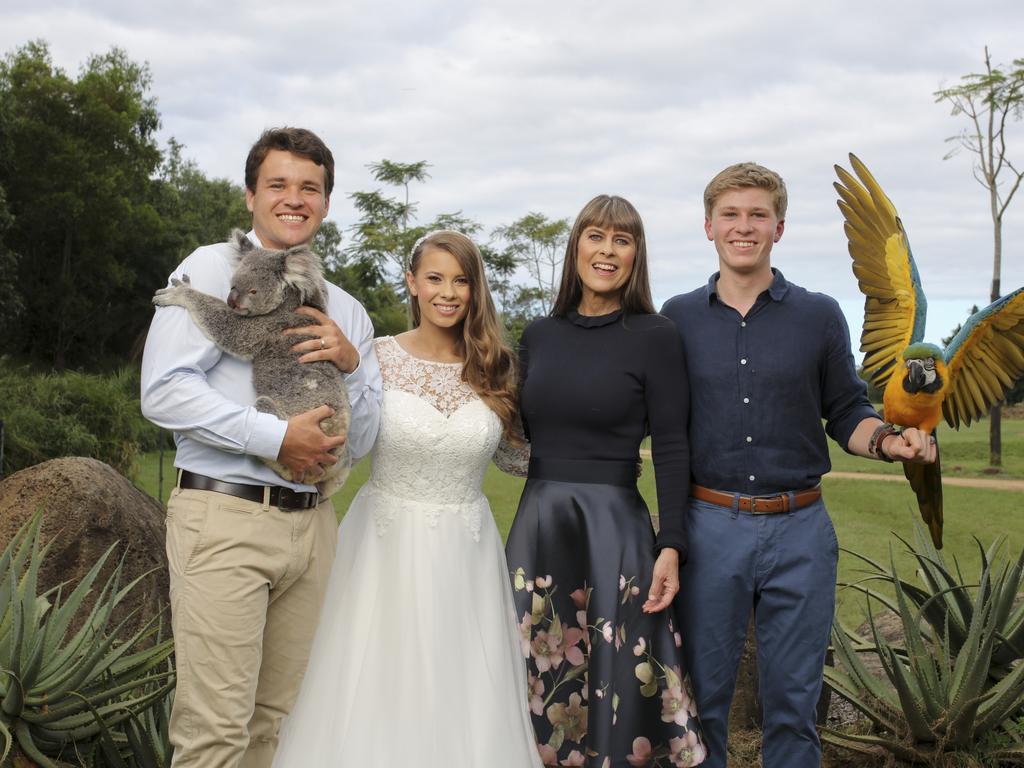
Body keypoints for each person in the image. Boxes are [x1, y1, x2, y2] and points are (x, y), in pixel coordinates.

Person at [659, 162, 936, 768]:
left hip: (801, 532)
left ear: (779, 228)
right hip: (710, 526)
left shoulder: (818, 315)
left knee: (794, 707)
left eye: (758, 214)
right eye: (730, 214)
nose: (744, 227)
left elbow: (847, 412)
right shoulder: (674, 319)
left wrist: (890, 442)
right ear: (708, 226)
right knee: (701, 709)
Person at [141, 127, 383, 768]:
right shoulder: (213, 269)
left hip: (314, 527)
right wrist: (278, 437)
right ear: (251, 195)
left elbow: (363, 438)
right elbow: (163, 392)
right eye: (278, 184)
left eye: (310, 188)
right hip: (227, 518)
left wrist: (353, 365)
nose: (294, 199)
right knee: (214, 733)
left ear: (326, 203)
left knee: (276, 728)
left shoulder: (349, 311)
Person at [272, 230, 544, 767]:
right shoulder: (372, 358)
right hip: (383, 549)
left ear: (476, 289)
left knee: (461, 687)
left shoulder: (497, 368)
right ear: (412, 283)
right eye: (435, 278)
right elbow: (342, 439)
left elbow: (517, 459)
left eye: (461, 280)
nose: (448, 292)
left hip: (466, 556)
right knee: (374, 684)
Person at [506, 195, 707, 767]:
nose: (607, 251)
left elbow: (671, 445)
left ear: (635, 255)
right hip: (541, 522)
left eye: (622, 240)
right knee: (536, 672)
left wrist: (672, 544)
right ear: (576, 248)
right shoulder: (538, 334)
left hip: (616, 529)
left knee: (619, 674)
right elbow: (509, 430)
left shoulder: (655, 334)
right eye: (596, 237)